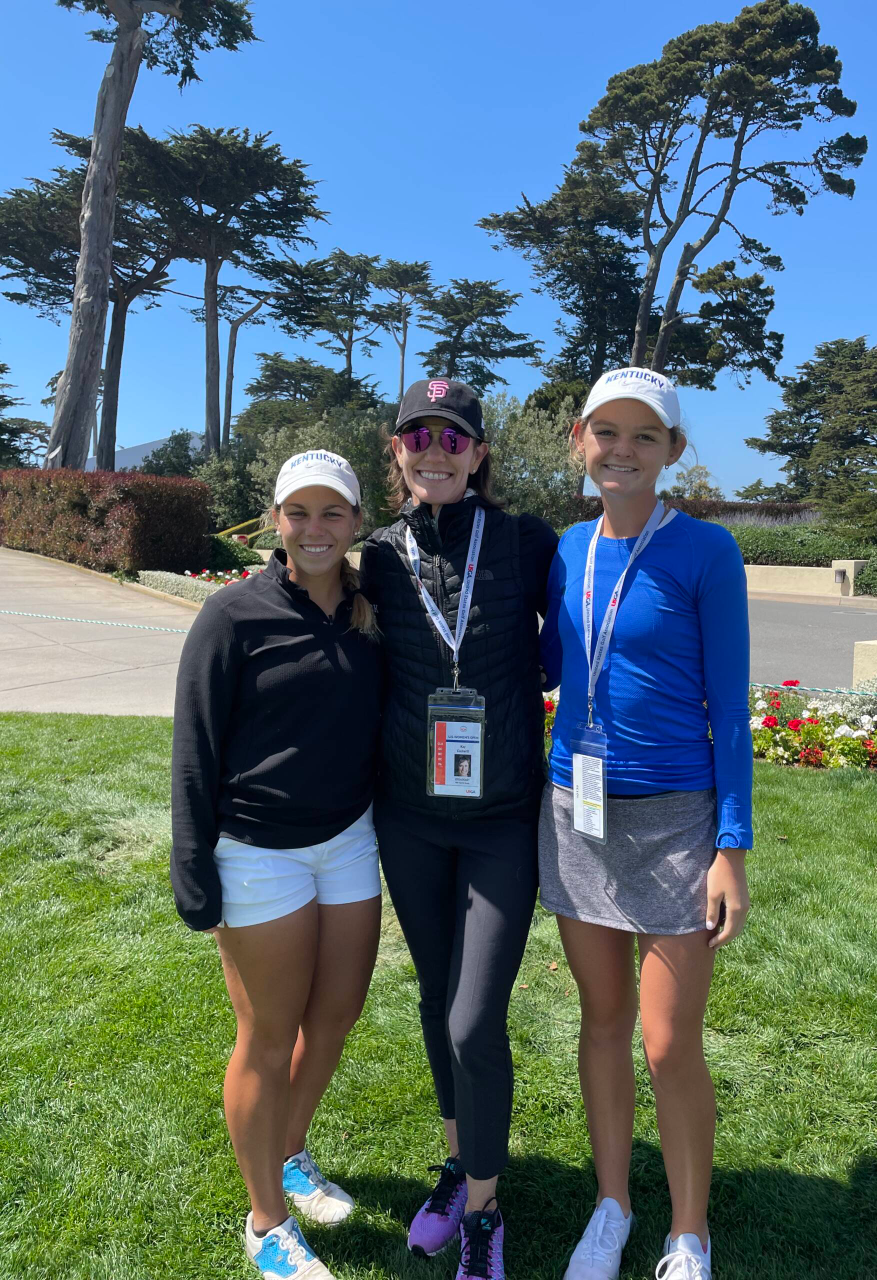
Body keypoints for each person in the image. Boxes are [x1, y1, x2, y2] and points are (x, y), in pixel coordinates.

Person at [537, 368, 752, 1280]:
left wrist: (731, 849)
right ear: (579, 439)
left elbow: (731, 711)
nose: (621, 451)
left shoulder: (707, 552)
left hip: (675, 823)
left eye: (644, 436)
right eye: (606, 432)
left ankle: (687, 1231)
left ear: (673, 451)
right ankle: (613, 1204)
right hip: (575, 814)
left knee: (670, 1042)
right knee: (602, 1021)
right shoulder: (566, 547)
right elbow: (542, 660)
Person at [360, 378, 558, 1279]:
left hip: (499, 822)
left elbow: (580, 644)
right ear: (395, 453)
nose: (434, 450)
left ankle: (483, 1211)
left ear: (479, 454)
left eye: (453, 436)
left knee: (477, 1019)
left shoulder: (525, 544)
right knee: (437, 1004)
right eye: (417, 436)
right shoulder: (376, 556)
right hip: (409, 820)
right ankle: (458, 1162)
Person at [171, 450, 384, 1280]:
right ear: (274, 522)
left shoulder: (373, 612)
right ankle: (266, 1222)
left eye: (332, 513)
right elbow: (194, 747)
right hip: (258, 853)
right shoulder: (232, 616)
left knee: (334, 1016)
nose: (316, 529)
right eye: (299, 513)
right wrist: (194, 870)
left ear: (357, 523)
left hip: (350, 842)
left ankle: (290, 1152)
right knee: (267, 1035)